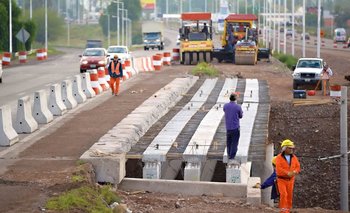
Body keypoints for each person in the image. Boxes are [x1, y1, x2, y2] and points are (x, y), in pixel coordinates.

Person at [275, 139, 301, 213]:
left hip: (291, 180)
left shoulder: (294, 157)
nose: (291, 149)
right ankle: (283, 211)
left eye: (292, 148)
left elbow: (298, 167)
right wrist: (287, 173)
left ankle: (288, 210)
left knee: (289, 195)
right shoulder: (279, 158)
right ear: (284, 148)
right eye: (289, 148)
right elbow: (279, 169)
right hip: (281, 179)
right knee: (284, 194)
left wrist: (295, 172)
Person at [223, 93, 243, 164]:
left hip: (228, 127)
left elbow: (225, 110)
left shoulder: (225, 106)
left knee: (229, 142)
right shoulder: (238, 107)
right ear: (235, 99)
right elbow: (241, 116)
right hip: (235, 127)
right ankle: (232, 157)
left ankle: (229, 154)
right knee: (234, 142)